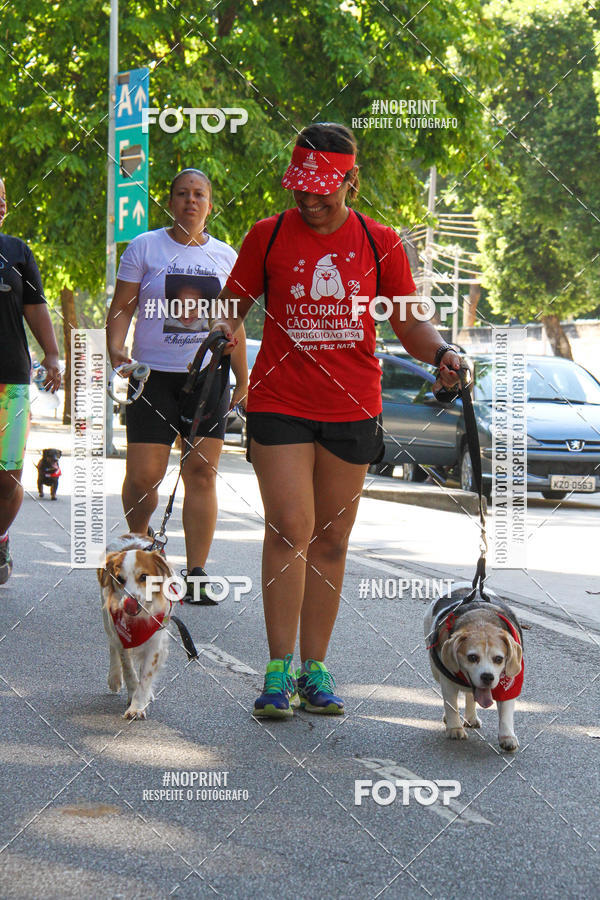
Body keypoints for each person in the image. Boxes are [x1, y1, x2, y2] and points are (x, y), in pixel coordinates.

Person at [211, 123, 462, 717]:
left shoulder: (381, 242)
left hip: (353, 405)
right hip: (279, 402)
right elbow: (233, 305)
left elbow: (410, 324)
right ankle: (276, 671)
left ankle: (314, 668)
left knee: (330, 541)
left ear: (352, 181)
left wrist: (444, 354)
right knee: (289, 529)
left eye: (323, 188)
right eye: (301, 186)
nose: (309, 198)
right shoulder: (267, 236)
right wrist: (223, 328)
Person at [106, 168, 248, 602]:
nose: (191, 201)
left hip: (207, 378)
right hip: (152, 377)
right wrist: (117, 351)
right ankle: (137, 547)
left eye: (199, 194)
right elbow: (121, 308)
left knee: (201, 473)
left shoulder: (226, 256)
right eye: (182, 194)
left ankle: (199, 572)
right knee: (145, 475)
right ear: (170, 202)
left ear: (210, 204)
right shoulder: (145, 247)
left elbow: (233, 324)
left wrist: (243, 379)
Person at [0, 175, 61, 583]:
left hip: (11, 383)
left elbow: (36, 307)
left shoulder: (17, 251)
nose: (1, 203)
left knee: (7, 481)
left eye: (3, 196)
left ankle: (1, 536)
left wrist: (53, 354)